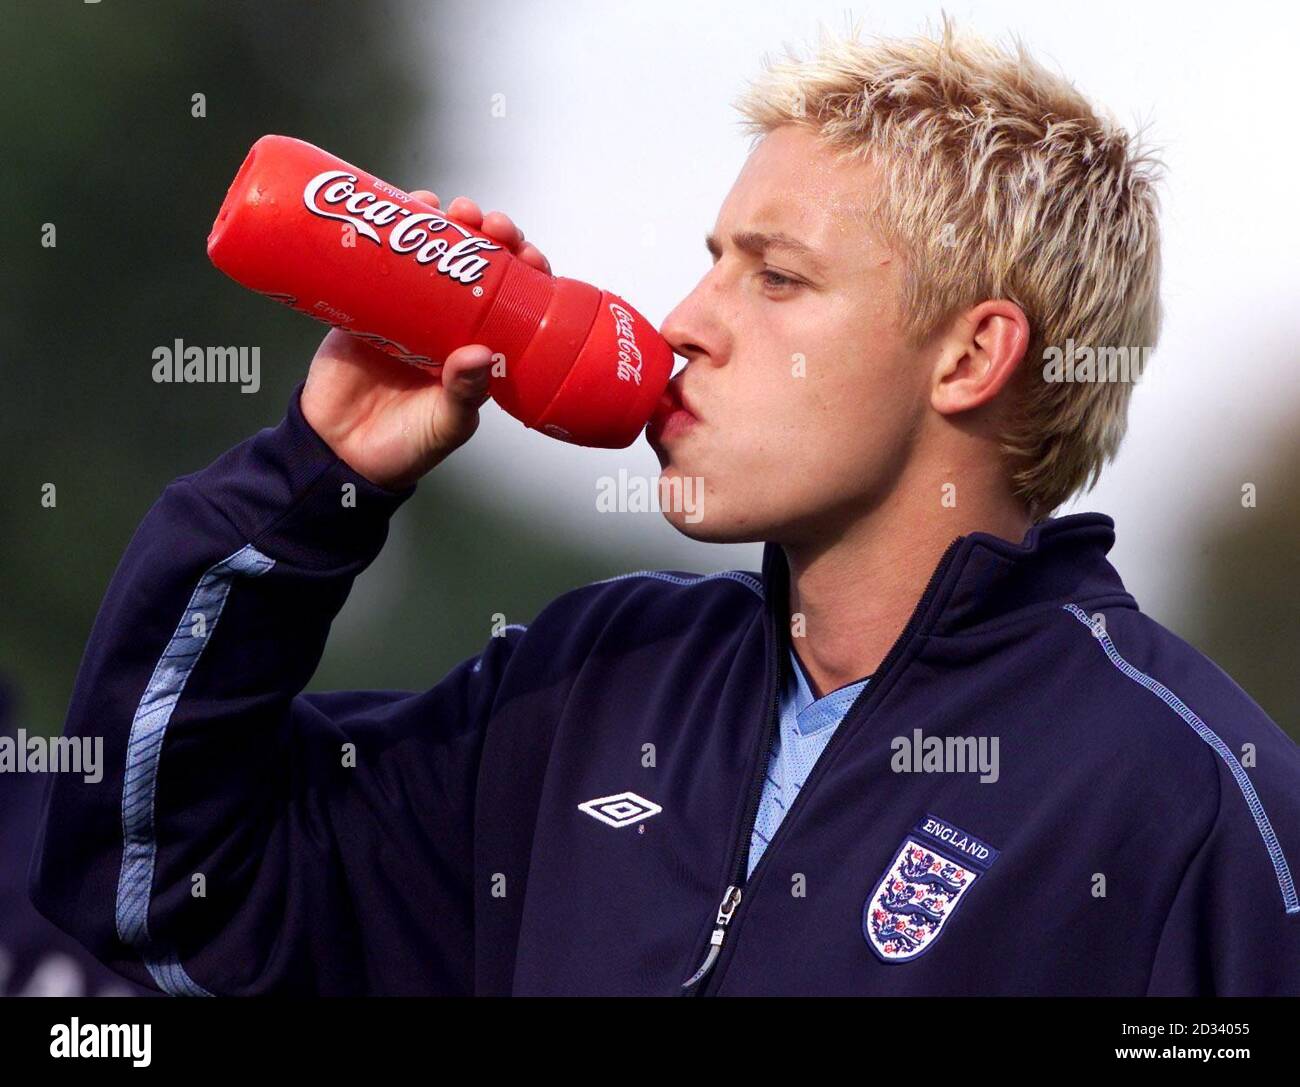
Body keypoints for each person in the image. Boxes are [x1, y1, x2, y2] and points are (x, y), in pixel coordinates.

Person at [31, 21, 1300, 995]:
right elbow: (162, 892)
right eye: (710, 262)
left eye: (778, 278)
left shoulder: (1185, 797)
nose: (685, 323)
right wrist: (318, 479)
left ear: (970, 358)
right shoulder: (589, 686)